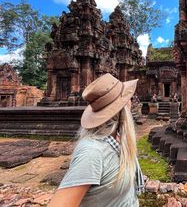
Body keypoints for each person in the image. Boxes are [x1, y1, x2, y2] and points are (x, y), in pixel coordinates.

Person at [48, 73, 144, 207]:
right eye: (129, 97)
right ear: (123, 108)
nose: (132, 100)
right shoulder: (92, 152)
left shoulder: (115, 140)